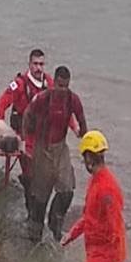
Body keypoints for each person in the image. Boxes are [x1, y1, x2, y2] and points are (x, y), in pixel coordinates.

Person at [61, 130, 127, 262]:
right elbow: (89, 217)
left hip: (105, 256)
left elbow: (117, 230)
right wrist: (71, 235)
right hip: (94, 253)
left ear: (89, 158)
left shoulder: (107, 188)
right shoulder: (95, 181)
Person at [23, 66, 87, 242]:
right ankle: (35, 231)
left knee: (67, 189)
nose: (62, 89)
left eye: (66, 86)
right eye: (59, 85)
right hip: (42, 147)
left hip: (60, 147)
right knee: (41, 195)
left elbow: (82, 122)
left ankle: (55, 220)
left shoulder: (72, 100)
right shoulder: (43, 98)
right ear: (55, 83)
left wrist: (87, 147)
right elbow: (28, 115)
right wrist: (27, 139)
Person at [0, 48, 53, 211]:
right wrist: (1, 129)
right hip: (22, 135)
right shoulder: (19, 84)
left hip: (41, 135)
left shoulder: (49, 83)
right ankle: (31, 208)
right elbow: (0, 106)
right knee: (30, 173)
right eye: (35, 64)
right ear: (29, 64)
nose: (38, 68)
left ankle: (36, 205)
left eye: (41, 64)